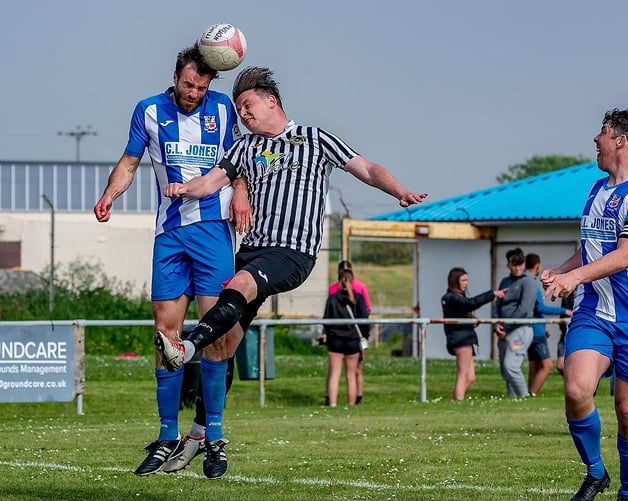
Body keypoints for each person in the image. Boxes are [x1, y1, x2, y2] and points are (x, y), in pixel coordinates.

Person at [154, 66, 426, 397]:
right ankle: (204, 435)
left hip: (292, 252)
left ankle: (187, 347)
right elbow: (211, 181)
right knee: (226, 343)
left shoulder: (315, 138)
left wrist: (400, 191)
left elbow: (367, 169)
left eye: (247, 105)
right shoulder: (245, 148)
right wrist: (185, 188)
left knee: (237, 285)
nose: (242, 114)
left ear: (271, 101)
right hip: (253, 250)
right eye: (238, 108)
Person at [93, 43, 250, 479]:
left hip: (214, 234)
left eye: (201, 86)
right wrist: (109, 195)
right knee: (165, 336)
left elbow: (241, 165)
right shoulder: (147, 110)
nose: (193, 93)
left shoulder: (224, 110)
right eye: (187, 84)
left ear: (210, 84)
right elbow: (129, 161)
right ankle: (165, 437)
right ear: (175, 77)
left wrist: (240, 191)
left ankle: (213, 437)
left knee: (215, 337)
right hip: (169, 236)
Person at [541, 108, 628, 501]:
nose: (595, 139)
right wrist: (562, 270)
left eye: (602, 132)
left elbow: (625, 255)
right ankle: (596, 473)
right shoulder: (596, 189)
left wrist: (572, 279)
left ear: (620, 141)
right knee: (576, 389)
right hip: (594, 311)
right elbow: (592, 248)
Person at [441, 267, 506, 401]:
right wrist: (492, 294)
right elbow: (470, 304)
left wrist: (470, 322)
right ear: (455, 281)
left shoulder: (455, 298)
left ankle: (453, 399)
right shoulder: (451, 297)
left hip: (465, 337)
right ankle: (458, 401)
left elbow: (462, 311)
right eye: (463, 280)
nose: (466, 283)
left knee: (471, 377)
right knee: (462, 375)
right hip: (460, 339)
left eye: (466, 280)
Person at [525, 253, 571, 396]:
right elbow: (539, 308)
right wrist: (565, 311)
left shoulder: (522, 281)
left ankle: (527, 393)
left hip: (531, 328)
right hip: (536, 330)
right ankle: (531, 393)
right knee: (547, 365)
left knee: (534, 364)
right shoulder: (531, 284)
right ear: (538, 266)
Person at [323, 269, 370, 407]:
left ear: (339, 282)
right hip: (353, 340)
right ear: (352, 280)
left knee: (334, 374)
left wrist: (328, 334)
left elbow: (326, 319)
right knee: (351, 376)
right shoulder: (358, 298)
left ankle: (332, 403)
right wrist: (365, 337)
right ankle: (351, 405)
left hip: (335, 340)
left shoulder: (332, 298)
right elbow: (365, 320)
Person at [494, 247, 537, 398]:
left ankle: (524, 397)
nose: (517, 267)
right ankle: (512, 400)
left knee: (511, 366)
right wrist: (496, 325)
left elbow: (524, 309)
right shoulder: (505, 282)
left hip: (521, 329)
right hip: (503, 331)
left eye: (520, 263)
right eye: (514, 264)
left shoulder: (529, 282)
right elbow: (497, 305)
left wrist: (505, 325)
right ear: (508, 265)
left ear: (524, 263)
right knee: (505, 371)